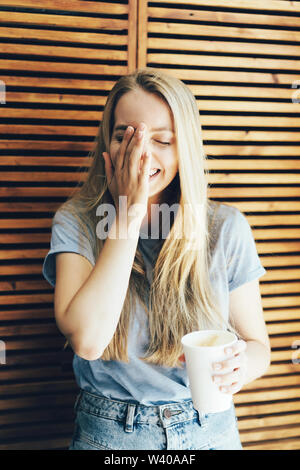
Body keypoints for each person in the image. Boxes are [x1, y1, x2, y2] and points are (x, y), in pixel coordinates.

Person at [42, 67, 271, 450]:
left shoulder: (225, 227)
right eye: (125, 136)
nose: (141, 152)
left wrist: (239, 366)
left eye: (162, 140)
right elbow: (88, 341)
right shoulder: (77, 221)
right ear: (107, 144)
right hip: (111, 434)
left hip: (210, 430)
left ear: (185, 151)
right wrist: (126, 215)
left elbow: (257, 345)